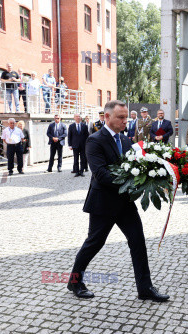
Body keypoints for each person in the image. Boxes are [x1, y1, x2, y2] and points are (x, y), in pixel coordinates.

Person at [68, 100, 169, 302]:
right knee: (94, 243)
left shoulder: (125, 141)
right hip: (103, 203)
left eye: (125, 117)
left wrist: (154, 178)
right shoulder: (94, 140)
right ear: (107, 117)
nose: (125, 121)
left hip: (124, 204)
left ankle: (145, 288)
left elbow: (139, 166)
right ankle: (75, 281)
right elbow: (101, 174)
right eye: (120, 117)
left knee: (138, 242)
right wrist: (132, 184)